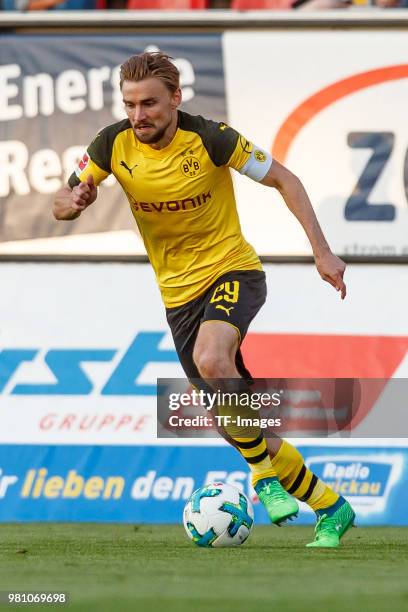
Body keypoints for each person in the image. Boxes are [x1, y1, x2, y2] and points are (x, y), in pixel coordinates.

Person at [53, 51, 355, 547]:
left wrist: (322, 253)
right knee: (232, 423)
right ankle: (330, 506)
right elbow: (60, 202)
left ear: (175, 98)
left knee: (213, 359)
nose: (138, 115)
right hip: (178, 298)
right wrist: (75, 202)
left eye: (149, 103)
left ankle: (262, 477)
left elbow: (286, 178)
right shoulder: (110, 144)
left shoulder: (211, 138)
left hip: (232, 270)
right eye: (129, 104)